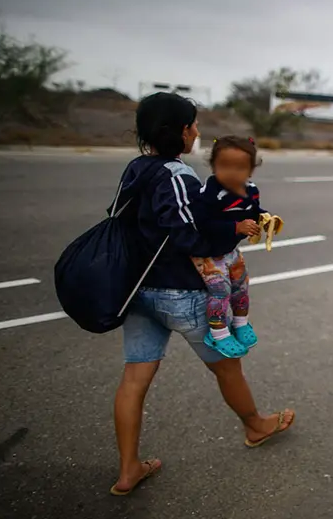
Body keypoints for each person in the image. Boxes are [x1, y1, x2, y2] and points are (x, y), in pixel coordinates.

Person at [110, 93, 294, 496]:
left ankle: (128, 470)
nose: (196, 130)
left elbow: (119, 222)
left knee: (135, 377)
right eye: (191, 124)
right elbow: (191, 237)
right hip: (182, 292)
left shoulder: (135, 169)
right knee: (228, 365)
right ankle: (256, 425)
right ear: (179, 131)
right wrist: (237, 230)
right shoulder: (179, 176)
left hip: (139, 289)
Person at [188, 136, 272, 359]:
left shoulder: (251, 190)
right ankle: (218, 333)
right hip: (207, 252)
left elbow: (252, 209)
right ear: (214, 165)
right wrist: (236, 227)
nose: (232, 173)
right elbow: (202, 224)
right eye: (224, 166)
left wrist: (264, 217)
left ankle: (241, 323)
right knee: (220, 290)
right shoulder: (211, 193)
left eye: (240, 168)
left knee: (241, 285)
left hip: (230, 250)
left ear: (251, 170)